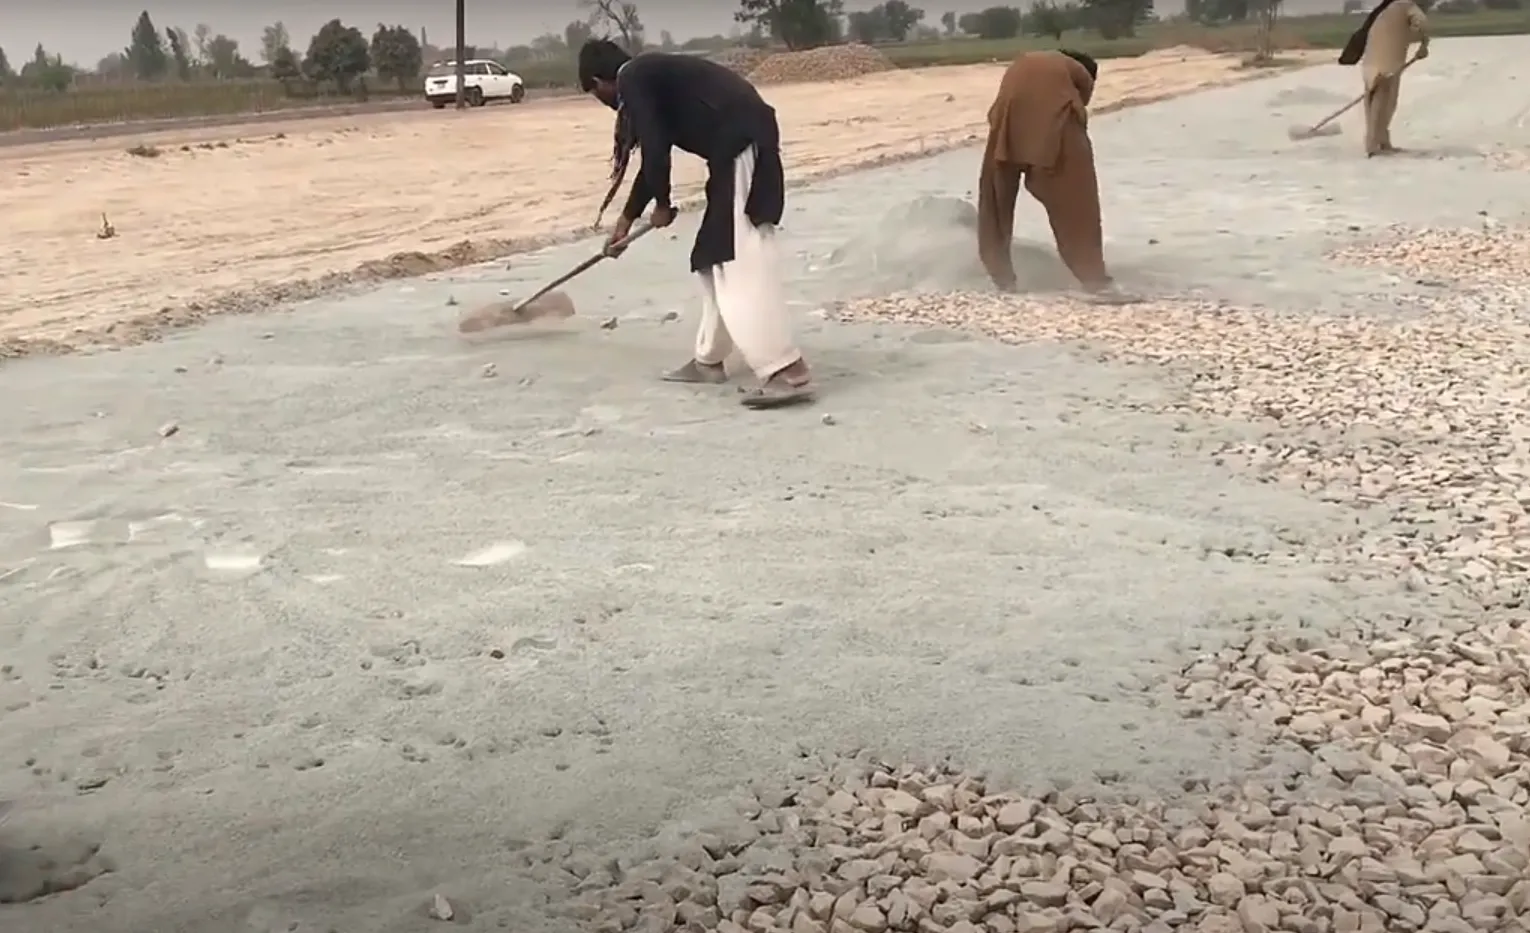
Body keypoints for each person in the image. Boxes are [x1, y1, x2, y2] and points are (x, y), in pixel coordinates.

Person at [577, 39, 815, 410]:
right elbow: (654, 155)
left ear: (599, 80)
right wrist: (626, 220)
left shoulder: (635, 78)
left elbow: (655, 146)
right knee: (711, 257)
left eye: (597, 94)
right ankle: (709, 359)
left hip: (743, 147)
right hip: (731, 155)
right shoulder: (653, 78)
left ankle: (785, 369)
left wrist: (663, 203)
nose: (607, 104)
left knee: (738, 261)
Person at [977, 49, 1113, 296]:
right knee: (1077, 202)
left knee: (995, 200)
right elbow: (1078, 106)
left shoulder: (1028, 60)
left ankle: (1002, 278)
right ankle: (1094, 279)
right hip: (1054, 123)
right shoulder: (1080, 72)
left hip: (1004, 121)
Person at [1338, 0, 1429, 157]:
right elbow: (1422, 23)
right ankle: (1374, 144)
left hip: (1370, 63)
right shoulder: (1406, 5)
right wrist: (1424, 43)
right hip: (1388, 64)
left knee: (1372, 103)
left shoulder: (1382, 10)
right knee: (1385, 103)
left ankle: (1378, 141)